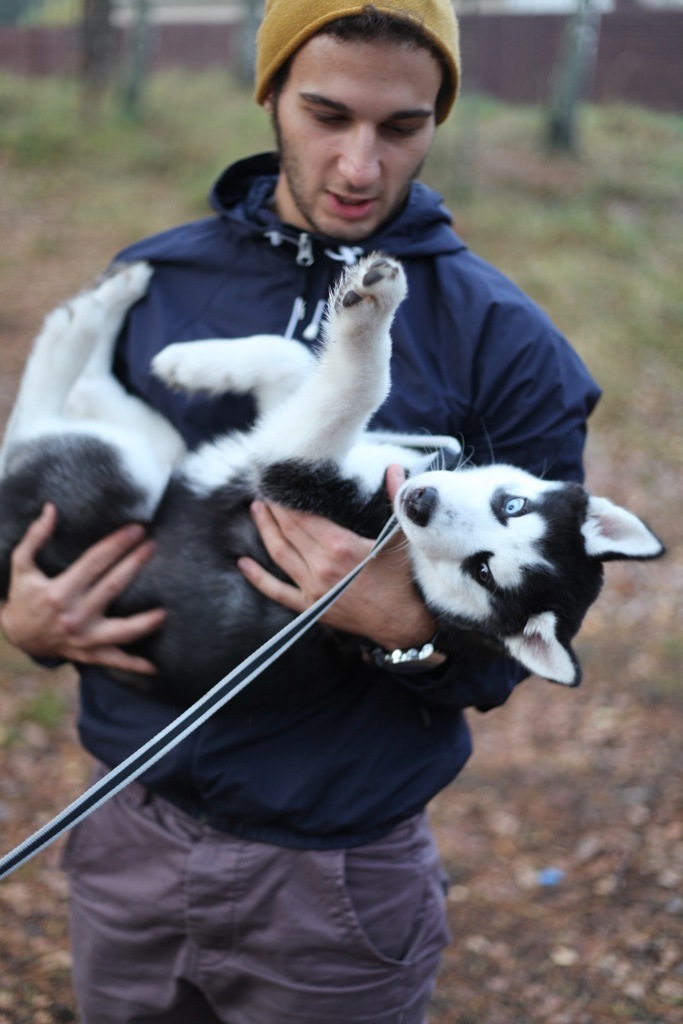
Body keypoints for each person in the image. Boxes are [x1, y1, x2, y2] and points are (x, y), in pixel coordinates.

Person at [0, 2, 601, 1021]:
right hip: (128, 830)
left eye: (400, 127)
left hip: (334, 879)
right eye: (327, 115)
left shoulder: (508, 346)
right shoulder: (160, 278)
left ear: (438, 117)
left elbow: (524, 639)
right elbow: (53, 477)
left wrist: (408, 631)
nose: (359, 165)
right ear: (269, 90)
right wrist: (21, 617)